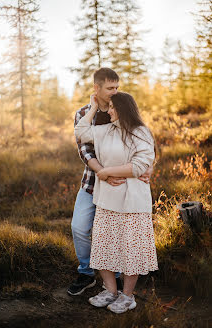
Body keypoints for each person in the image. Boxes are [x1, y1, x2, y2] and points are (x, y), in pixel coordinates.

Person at [68, 68, 152, 296]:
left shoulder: (122, 108)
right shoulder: (85, 113)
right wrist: (105, 173)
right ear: (97, 88)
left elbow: (142, 141)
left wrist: (148, 166)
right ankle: (86, 273)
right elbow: (84, 150)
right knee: (79, 227)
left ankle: (114, 279)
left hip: (121, 187)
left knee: (114, 233)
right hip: (93, 183)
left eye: (117, 87)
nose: (115, 91)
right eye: (110, 88)